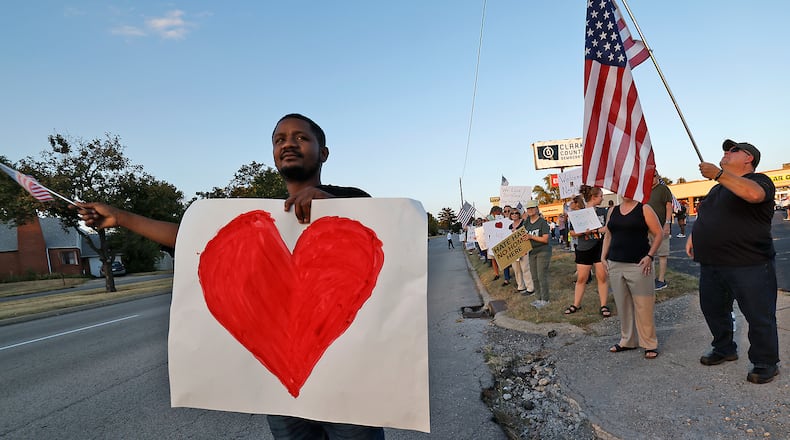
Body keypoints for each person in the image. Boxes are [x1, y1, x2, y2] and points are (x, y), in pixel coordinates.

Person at [76, 113, 386, 439]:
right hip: (282, 392)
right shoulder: (254, 218)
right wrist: (120, 217)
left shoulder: (354, 200)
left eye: (300, 137)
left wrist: (332, 207)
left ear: (323, 152)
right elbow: (191, 238)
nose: (288, 144)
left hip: (348, 387)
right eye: (279, 139)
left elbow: (390, 243)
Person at [686, 139, 779, 384]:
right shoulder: (718, 189)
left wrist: (717, 173)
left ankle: (765, 362)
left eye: (733, 150)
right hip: (713, 264)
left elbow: (753, 195)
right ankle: (724, 348)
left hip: (749, 264)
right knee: (714, 310)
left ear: (749, 158)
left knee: (759, 315)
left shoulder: (761, 181)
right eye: (725, 150)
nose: (726, 153)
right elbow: (707, 214)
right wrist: (694, 237)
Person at [601, 196, 663, 359]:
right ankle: (627, 340)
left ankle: (649, 343)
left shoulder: (644, 209)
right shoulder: (612, 210)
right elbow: (608, 235)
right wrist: (603, 257)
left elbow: (658, 234)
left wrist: (650, 256)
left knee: (644, 306)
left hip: (639, 265)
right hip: (615, 264)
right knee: (623, 305)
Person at [565, 186, 611, 318]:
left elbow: (608, 228)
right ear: (594, 197)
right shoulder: (579, 212)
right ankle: (576, 304)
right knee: (582, 278)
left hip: (600, 247)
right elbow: (572, 232)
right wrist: (583, 232)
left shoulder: (603, 212)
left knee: (602, 277)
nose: (603, 198)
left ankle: (603, 305)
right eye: (601, 196)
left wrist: (595, 231)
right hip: (584, 248)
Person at [522, 200, 552, 308]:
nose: (530, 210)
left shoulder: (542, 222)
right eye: (528, 208)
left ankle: (545, 299)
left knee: (541, 275)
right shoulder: (526, 223)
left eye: (532, 208)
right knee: (534, 276)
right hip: (532, 251)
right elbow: (522, 236)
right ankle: (538, 298)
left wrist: (531, 237)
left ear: (536, 209)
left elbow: (545, 239)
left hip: (543, 250)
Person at [646, 173, 674, 291]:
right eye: (649, 176)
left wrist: (667, 223)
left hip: (661, 227)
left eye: (654, 175)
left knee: (662, 254)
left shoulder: (663, 189)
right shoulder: (644, 190)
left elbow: (669, 207)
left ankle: (661, 280)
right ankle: (650, 279)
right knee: (649, 254)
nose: (651, 178)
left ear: (657, 176)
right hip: (647, 228)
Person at [508, 208, 534, 295]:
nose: (514, 215)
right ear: (510, 215)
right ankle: (520, 286)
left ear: (519, 214)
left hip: (523, 249)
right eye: (512, 213)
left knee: (525, 268)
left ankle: (530, 288)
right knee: (516, 269)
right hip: (513, 251)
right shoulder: (509, 226)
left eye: (516, 213)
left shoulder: (524, 223)